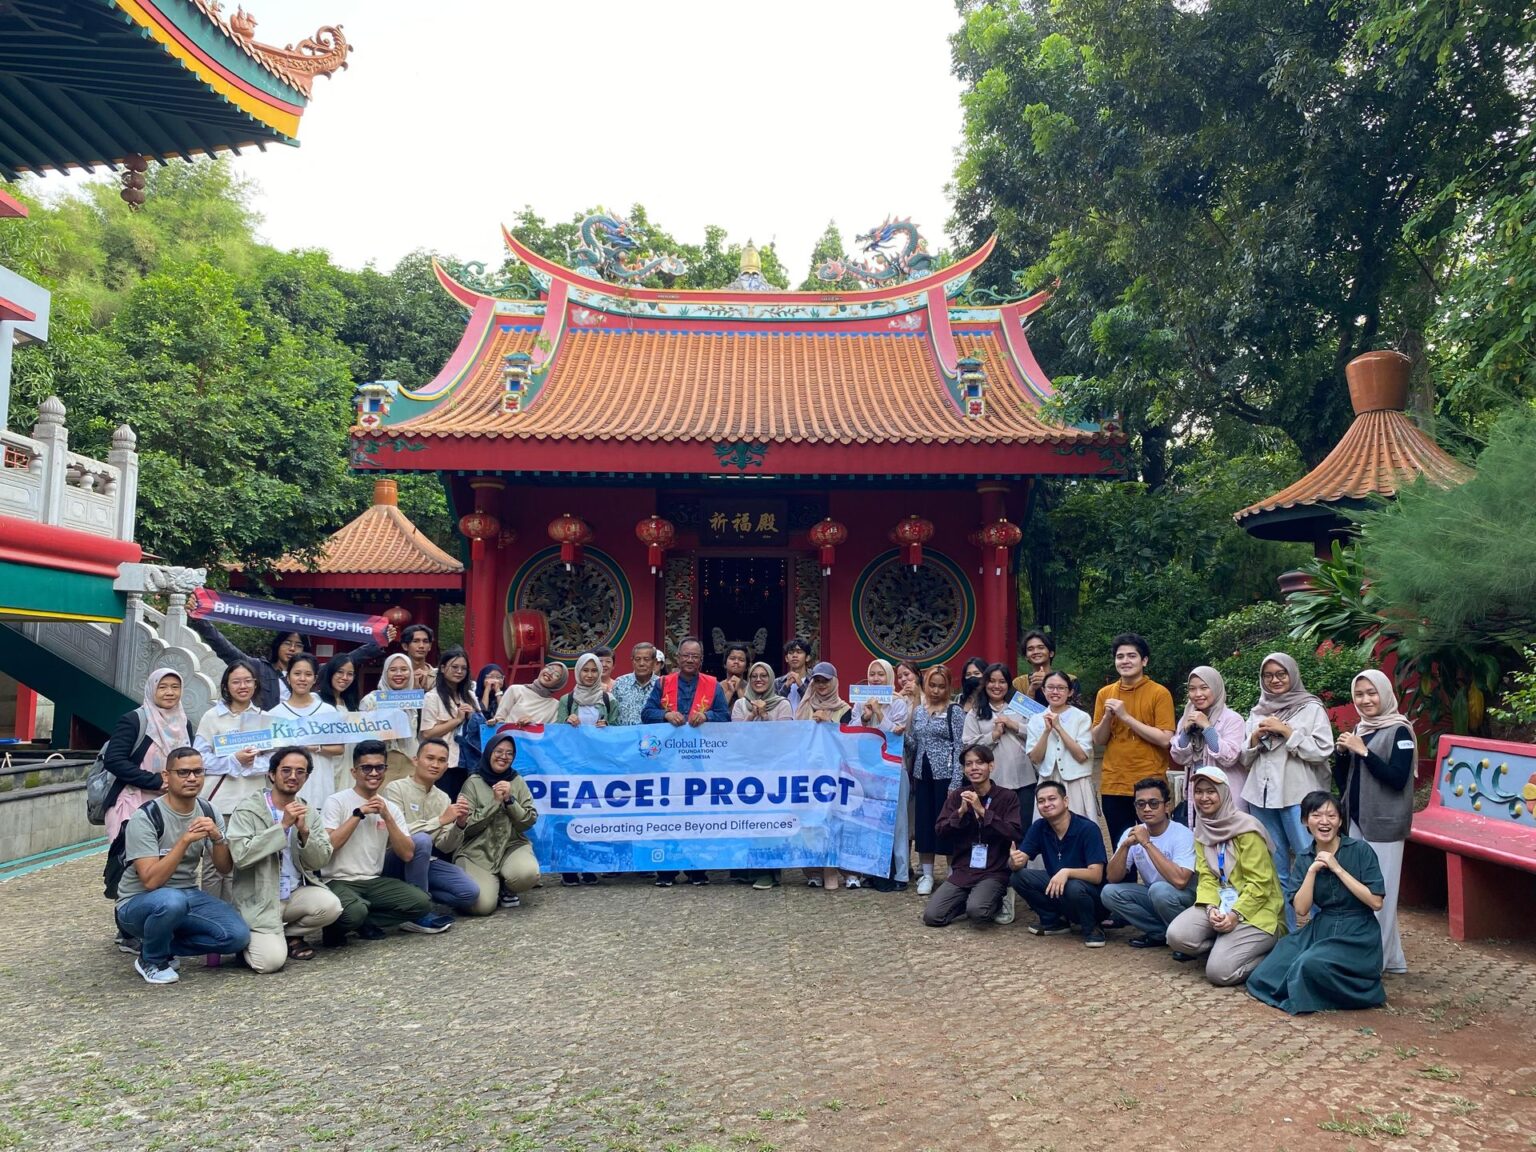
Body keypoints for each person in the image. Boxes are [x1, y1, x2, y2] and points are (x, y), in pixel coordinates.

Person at [113, 747, 250, 984]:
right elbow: (151, 881)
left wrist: (218, 838)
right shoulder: (146, 817)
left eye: (198, 772)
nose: (192, 778)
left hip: (187, 897)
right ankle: (152, 959)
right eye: (183, 772)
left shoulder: (208, 810)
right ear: (167, 776)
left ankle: (163, 944)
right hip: (137, 903)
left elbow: (224, 868)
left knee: (237, 936)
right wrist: (184, 841)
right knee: (171, 901)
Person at [1245, 790, 1386, 1013]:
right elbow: (1301, 909)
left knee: (1308, 964)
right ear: (1305, 821)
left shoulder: (1360, 850)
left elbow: (1376, 902)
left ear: (1340, 821)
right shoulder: (1304, 858)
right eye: (1316, 815)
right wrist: (1312, 871)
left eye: (1331, 816)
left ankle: (1355, 992)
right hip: (1321, 928)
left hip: (1358, 932)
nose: (1324, 822)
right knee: (1267, 971)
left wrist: (1337, 869)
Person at [1239, 652, 1335, 931]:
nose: (1275, 680)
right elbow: (1244, 759)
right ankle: (1289, 932)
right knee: (1275, 868)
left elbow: (1323, 750)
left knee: (1311, 863)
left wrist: (1288, 732)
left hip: (1298, 798)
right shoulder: (1257, 711)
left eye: (1281, 674)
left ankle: (1320, 931)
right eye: (1268, 675)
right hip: (1262, 797)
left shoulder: (1310, 708)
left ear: (1292, 675)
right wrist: (1254, 738)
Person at [226, 746, 343, 972]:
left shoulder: (308, 811)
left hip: (293, 894)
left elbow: (320, 861)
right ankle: (256, 940)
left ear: (307, 777)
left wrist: (305, 834)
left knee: (331, 906)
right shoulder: (248, 810)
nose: (292, 776)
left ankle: (285, 935)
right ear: (271, 774)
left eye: (300, 772)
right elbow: (241, 856)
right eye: (286, 770)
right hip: (259, 899)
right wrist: (283, 826)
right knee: (269, 963)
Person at [1165, 766, 1285, 985]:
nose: (1204, 798)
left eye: (1211, 791)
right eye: (1199, 792)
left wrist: (1235, 915)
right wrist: (1211, 908)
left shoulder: (1247, 829)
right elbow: (1207, 876)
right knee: (1177, 936)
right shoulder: (1203, 828)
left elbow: (1260, 884)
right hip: (1221, 904)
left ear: (1224, 793)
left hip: (1257, 909)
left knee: (1219, 974)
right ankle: (1226, 947)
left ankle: (1271, 953)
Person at [1333, 669, 1414, 975]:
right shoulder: (1361, 728)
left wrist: (1364, 752)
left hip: (1384, 825)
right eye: (1359, 694)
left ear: (1385, 693)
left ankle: (1371, 964)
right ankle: (1390, 960)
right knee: (1361, 894)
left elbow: (1396, 779)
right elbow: (1345, 781)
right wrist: (1342, 754)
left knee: (1381, 895)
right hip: (1358, 821)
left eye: (1371, 693)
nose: (1365, 700)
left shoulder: (1400, 731)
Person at [103, 668, 190, 953]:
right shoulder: (135, 720)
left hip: (167, 805)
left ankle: (155, 922)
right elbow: (114, 760)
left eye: (174, 687)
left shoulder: (185, 722)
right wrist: (154, 780)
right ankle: (126, 929)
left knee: (161, 863)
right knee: (131, 865)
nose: (168, 693)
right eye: (162, 687)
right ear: (152, 689)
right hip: (132, 802)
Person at [319, 741, 439, 945]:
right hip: (337, 880)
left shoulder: (390, 807)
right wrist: (359, 814)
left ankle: (361, 920)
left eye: (379, 767)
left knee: (422, 903)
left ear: (385, 769)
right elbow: (328, 846)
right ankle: (338, 925)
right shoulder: (336, 801)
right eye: (366, 768)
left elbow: (408, 854)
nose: (374, 773)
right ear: (354, 771)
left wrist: (387, 817)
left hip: (373, 881)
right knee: (355, 911)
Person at [643, 637, 730, 886]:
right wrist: (665, 714)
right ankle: (666, 872)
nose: (690, 660)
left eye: (695, 656)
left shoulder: (713, 685)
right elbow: (646, 714)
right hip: (667, 763)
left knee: (699, 817)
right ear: (677, 658)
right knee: (667, 816)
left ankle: (697, 870)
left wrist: (707, 715)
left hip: (701, 762)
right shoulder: (663, 683)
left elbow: (725, 716)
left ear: (701, 660)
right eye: (686, 655)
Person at [922, 744, 1024, 926]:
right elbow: (940, 831)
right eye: (969, 764)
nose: (974, 768)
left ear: (991, 766)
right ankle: (971, 899)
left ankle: (1001, 896)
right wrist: (959, 813)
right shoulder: (957, 796)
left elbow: (1014, 832)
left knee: (978, 913)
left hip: (994, 870)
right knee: (932, 916)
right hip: (963, 870)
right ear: (963, 769)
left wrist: (982, 811)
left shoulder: (1007, 797)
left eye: (980, 763)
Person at [193, 660, 269, 901]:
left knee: (246, 863)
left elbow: (273, 761)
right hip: (219, 802)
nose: (242, 686)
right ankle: (212, 917)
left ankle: (240, 917)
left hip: (252, 803)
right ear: (226, 685)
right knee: (215, 865)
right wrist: (234, 761)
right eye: (236, 681)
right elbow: (200, 758)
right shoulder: (212, 717)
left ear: (256, 684)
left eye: (248, 681)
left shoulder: (264, 718)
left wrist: (249, 765)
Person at [1091, 633, 1176, 845]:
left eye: (1132, 656)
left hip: (1150, 780)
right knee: (1123, 846)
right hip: (1114, 782)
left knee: (1156, 845)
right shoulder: (1105, 694)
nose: (1125, 661)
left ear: (1144, 660)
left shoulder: (1159, 693)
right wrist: (1108, 717)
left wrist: (1126, 717)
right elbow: (1098, 740)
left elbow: (1166, 739)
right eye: (1120, 657)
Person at [382, 737, 482, 915]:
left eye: (442, 760)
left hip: (424, 862)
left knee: (469, 893)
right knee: (422, 840)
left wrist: (459, 824)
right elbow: (396, 834)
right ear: (416, 760)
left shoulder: (442, 797)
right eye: (430, 758)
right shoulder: (395, 789)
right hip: (394, 859)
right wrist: (441, 820)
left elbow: (445, 845)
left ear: (446, 766)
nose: (435, 764)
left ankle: (419, 897)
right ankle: (420, 912)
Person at [1100, 776, 1197, 948]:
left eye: (1153, 803)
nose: (1147, 809)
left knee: (1159, 890)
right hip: (1154, 895)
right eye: (1140, 804)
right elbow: (1113, 877)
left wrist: (1147, 844)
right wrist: (1125, 847)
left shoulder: (1182, 834)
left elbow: (1180, 881)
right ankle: (1161, 932)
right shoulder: (1132, 832)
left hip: (1185, 899)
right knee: (1109, 893)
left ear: (1166, 806)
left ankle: (1187, 937)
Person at [1008, 780, 1109, 945]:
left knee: (1073, 885)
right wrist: (1014, 861)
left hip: (1092, 897)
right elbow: (1019, 861)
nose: (1046, 804)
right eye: (1041, 801)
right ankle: (1054, 921)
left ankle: (1092, 926)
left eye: (1052, 799)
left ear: (1066, 801)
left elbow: (1096, 875)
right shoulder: (1039, 827)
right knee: (1019, 876)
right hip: (1060, 889)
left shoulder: (1087, 829)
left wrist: (1067, 872)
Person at [455, 732, 541, 913]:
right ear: (488, 753)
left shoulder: (516, 781)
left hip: (511, 845)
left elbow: (528, 821)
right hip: (477, 852)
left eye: (509, 753)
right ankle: (491, 883)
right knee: (482, 907)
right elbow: (466, 827)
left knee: (527, 874)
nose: (504, 757)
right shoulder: (472, 782)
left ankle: (507, 887)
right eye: (499, 751)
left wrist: (510, 801)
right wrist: (494, 803)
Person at [555, 652, 617, 886]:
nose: (590, 675)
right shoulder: (567, 701)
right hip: (572, 768)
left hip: (598, 770)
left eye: (594, 670)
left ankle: (590, 866)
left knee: (595, 818)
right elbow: (556, 736)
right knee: (570, 816)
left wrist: (608, 727)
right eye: (585, 670)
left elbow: (619, 734)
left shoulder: (609, 700)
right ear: (578, 671)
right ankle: (568, 870)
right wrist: (566, 723)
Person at [732, 662, 794, 889]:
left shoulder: (783, 704)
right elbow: (735, 737)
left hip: (773, 770)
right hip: (746, 770)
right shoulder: (740, 704)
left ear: (771, 679)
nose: (758, 680)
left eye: (763, 676)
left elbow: (786, 738)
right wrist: (751, 716)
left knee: (769, 821)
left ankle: (769, 872)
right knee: (747, 820)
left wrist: (766, 716)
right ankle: (746, 871)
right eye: (754, 676)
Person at [908, 664, 966, 896]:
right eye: (932, 685)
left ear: (948, 687)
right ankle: (928, 873)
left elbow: (960, 746)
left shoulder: (955, 711)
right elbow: (913, 743)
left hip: (946, 774)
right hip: (923, 774)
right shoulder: (919, 711)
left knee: (949, 824)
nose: (936, 691)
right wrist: (900, 734)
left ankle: (953, 871)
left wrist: (956, 782)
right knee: (924, 824)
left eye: (941, 686)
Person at [1169, 666, 1247, 824]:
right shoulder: (1187, 717)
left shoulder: (1232, 719)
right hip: (1198, 794)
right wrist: (1185, 732)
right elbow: (1179, 757)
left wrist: (1207, 728)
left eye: (1204, 688)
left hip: (1227, 792)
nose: (1197, 694)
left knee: (1229, 839)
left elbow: (1230, 757)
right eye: (1192, 689)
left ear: (1216, 688)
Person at [798, 662, 852, 889]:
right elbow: (795, 737)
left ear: (834, 682)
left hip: (836, 774)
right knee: (811, 822)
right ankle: (813, 869)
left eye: (825, 681)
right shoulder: (804, 706)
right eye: (817, 680)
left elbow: (849, 742)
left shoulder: (845, 709)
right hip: (810, 772)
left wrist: (830, 723)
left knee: (835, 820)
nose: (821, 685)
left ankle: (835, 867)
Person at [862, 659, 913, 893]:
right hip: (869, 769)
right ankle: (873, 871)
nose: (875, 679)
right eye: (872, 674)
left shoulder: (899, 703)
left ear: (889, 677)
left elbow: (895, 735)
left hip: (894, 768)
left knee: (898, 822)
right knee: (872, 821)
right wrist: (864, 717)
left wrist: (879, 712)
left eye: (880, 674)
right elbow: (855, 733)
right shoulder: (860, 701)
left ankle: (901, 873)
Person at [963, 662, 1037, 822]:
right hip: (993, 782)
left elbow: (1040, 733)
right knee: (995, 826)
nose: (997, 686)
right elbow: (968, 745)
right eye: (992, 681)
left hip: (1024, 780)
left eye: (1002, 681)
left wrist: (1015, 726)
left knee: (1023, 828)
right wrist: (993, 735)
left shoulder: (1021, 705)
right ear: (985, 683)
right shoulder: (976, 712)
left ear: (1008, 684)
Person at [269, 654, 346, 806]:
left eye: (308, 674)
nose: (302, 679)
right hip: (286, 788)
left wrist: (315, 747)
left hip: (320, 783)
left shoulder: (327, 711)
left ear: (315, 679)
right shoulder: (274, 714)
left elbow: (339, 749)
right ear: (288, 678)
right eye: (297, 674)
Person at [1026, 671, 1099, 822]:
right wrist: (1046, 731)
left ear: (1070, 691)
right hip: (1047, 782)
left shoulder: (1081, 718)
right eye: (1050, 687)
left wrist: (1059, 728)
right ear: (1043, 690)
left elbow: (1081, 756)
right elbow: (1035, 758)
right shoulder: (1035, 719)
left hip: (1076, 783)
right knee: (1047, 830)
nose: (1055, 692)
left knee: (1079, 828)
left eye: (1061, 688)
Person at [189, 621, 301, 710]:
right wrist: (201, 622)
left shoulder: (309, 676)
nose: (292, 649)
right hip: (264, 731)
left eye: (298, 645)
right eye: (287, 643)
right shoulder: (259, 668)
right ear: (278, 644)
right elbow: (226, 650)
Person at [420, 646, 478, 798]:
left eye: (463, 668)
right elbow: (427, 733)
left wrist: (473, 717)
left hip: (469, 761)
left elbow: (481, 726)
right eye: (455, 667)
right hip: (446, 763)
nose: (459, 671)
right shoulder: (432, 697)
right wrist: (457, 720)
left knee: (465, 808)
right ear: (443, 668)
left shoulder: (470, 695)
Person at [360, 652, 422, 784]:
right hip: (380, 766)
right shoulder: (370, 700)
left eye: (404, 670)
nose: (399, 674)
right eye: (393, 670)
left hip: (410, 763)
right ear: (385, 673)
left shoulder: (415, 701)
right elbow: (361, 736)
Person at [493, 660, 569, 725]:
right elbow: (499, 719)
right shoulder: (515, 690)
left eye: (556, 675)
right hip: (508, 739)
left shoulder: (556, 706)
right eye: (549, 668)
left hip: (536, 742)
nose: (550, 673)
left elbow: (550, 733)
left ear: (559, 683)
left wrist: (533, 727)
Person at [611, 641, 659, 726]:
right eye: (637, 659)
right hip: (625, 737)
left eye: (646, 659)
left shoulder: (661, 684)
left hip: (652, 737)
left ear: (654, 662)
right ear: (632, 661)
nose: (641, 664)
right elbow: (612, 714)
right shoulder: (620, 683)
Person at [1012, 630, 1057, 704]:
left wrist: (1050, 682)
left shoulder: (1070, 680)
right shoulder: (1019, 683)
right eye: (1030, 649)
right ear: (1026, 656)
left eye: (1041, 647)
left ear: (1051, 653)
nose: (1036, 652)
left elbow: (1074, 711)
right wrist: (1031, 690)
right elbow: (1018, 713)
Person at [773, 638, 812, 714]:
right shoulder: (778, 682)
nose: (794, 655)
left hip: (806, 724)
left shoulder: (813, 680)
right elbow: (774, 706)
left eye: (799, 652)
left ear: (807, 658)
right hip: (784, 724)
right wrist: (786, 686)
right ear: (786, 658)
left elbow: (814, 704)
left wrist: (801, 685)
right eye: (791, 653)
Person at [400, 623, 436, 690]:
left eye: (425, 641)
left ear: (430, 646)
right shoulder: (396, 675)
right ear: (405, 646)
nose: (421, 646)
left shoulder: (439, 676)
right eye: (416, 641)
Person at [719, 642, 751, 712]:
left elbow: (749, 712)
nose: (736, 662)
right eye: (732, 658)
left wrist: (739, 689)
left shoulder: (752, 688)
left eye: (741, 660)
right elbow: (717, 711)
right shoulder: (717, 687)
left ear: (746, 667)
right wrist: (730, 692)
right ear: (725, 664)